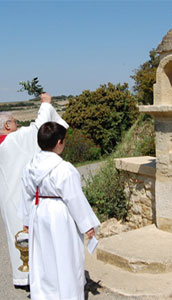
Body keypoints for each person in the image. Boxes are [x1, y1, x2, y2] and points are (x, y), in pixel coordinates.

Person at [0, 93, 68, 288]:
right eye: (15, 123)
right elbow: (38, 128)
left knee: (17, 236)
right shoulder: (13, 141)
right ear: (7, 126)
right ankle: (38, 278)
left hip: (11, 203)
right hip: (23, 204)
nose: (17, 126)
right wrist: (46, 104)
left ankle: (25, 276)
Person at [20, 122, 100, 300]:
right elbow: (74, 198)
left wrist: (26, 220)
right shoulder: (64, 169)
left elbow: (26, 195)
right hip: (59, 214)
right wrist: (87, 225)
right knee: (65, 257)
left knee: (43, 258)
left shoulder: (29, 167)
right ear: (59, 142)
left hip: (38, 212)